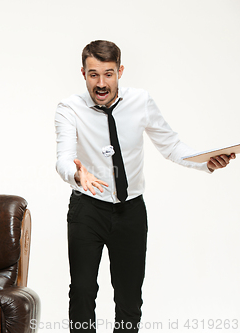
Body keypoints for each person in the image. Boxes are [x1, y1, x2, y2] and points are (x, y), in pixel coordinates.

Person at [55, 40, 235, 332]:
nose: (101, 83)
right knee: (83, 292)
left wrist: (205, 163)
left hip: (131, 212)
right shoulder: (69, 108)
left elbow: (172, 146)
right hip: (87, 209)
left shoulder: (141, 101)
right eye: (93, 74)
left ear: (120, 71)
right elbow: (63, 158)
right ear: (83, 73)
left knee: (129, 297)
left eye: (108, 74)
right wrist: (77, 175)